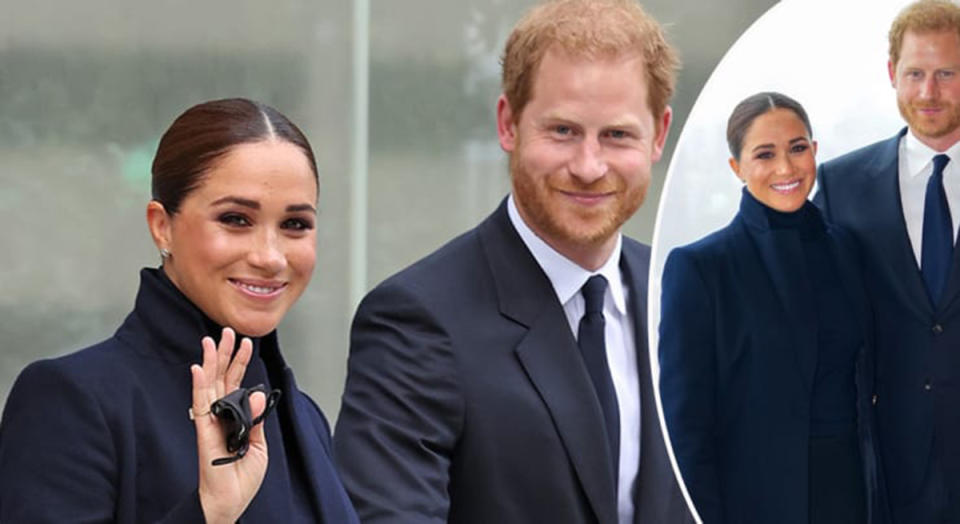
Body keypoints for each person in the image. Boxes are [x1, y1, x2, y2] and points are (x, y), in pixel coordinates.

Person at [333, 1, 691, 523]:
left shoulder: (689, 300)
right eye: (563, 131)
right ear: (508, 124)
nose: (589, 166)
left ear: (658, 135)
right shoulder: (415, 321)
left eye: (616, 135)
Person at [0, 98, 358, 523]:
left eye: (295, 225)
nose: (271, 256)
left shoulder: (302, 417)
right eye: (236, 219)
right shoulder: (73, 401)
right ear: (161, 226)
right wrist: (210, 513)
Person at [659, 92, 879, 523]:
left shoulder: (846, 250)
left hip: (852, 496)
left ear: (814, 151)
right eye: (765, 154)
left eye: (798, 148)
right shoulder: (701, 268)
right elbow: (685, 432)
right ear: (736, 168)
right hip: (756, 504)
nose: (786, 168)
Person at [814, 1, 960, 521]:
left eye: (947, 73)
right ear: (892, 74)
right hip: (886, 469)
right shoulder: (840, 184)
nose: (928, 92)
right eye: (916, 73)